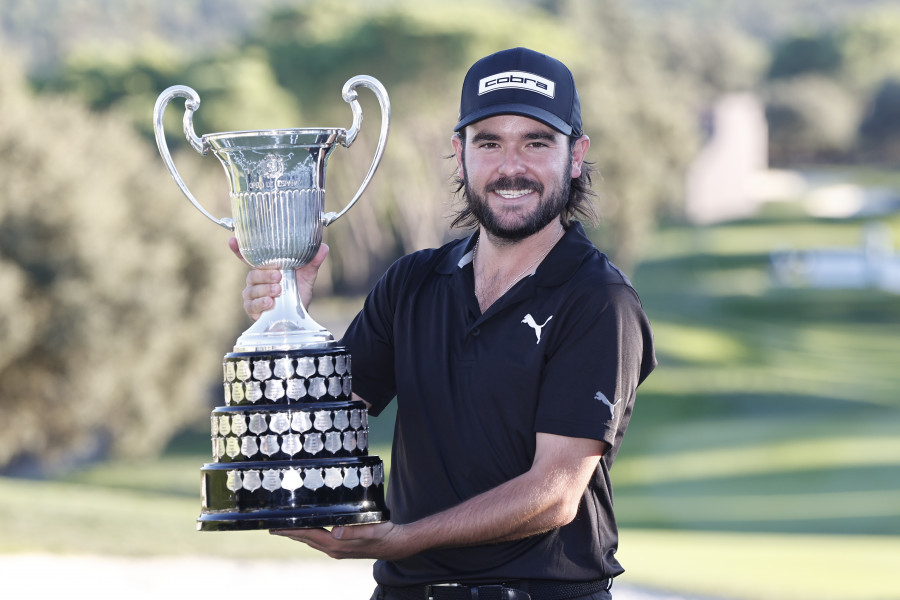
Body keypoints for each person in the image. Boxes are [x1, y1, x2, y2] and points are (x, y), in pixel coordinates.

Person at [234, 47, 656, 600]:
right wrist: (287, 320)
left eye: (536, 142)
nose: (512, 167)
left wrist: (401, 539)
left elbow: (554, 494)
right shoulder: (412, 282)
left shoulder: (599, 299)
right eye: (489, 143)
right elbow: (321, 429)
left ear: (575, 156)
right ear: (460, 154)